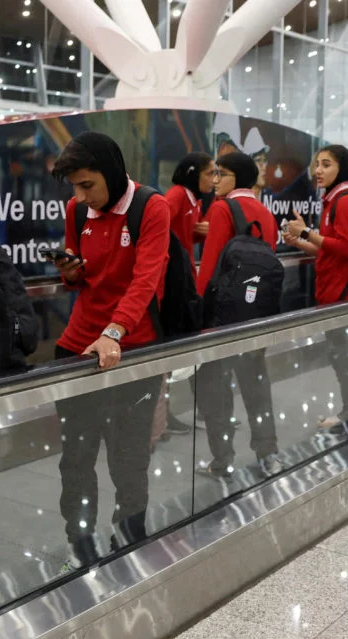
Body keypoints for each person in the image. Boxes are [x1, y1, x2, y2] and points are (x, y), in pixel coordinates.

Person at [48, 132, 169, 570]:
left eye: (88, 185)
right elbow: (80, 280)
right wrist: (70, 271)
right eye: (75, 187)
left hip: (130, 348)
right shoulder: (76, 209)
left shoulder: (151, 207)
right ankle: (79, 545)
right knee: (76, 460)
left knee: (128, 457)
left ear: (112, 172)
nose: (82, 197)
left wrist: (114, 332)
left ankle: (129, 540)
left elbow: (146, 279)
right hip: (78, 346)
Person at [282, 145, 348, 430]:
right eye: (317, 164)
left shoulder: (347, 200)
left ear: (343, 169)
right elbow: (331, 250)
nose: (318, 170)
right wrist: (302, 241)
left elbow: (344, 247)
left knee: (346, 359)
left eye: (326, 165)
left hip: (346, 294)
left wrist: (306, 232)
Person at [194, 151, 281, 478]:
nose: (216, 180)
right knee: (257, 387)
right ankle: (268, 454)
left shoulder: (222, 208)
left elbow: (211, 266)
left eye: (222, 174)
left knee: (215, 389)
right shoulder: (265, 212)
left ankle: (222, 460)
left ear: (238, 178)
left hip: (223, 317)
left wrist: (199, 312)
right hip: (256, 314)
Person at [160, 152, 215, 440]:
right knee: (167, 352)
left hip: (184, 282)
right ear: (194, 173)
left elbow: (181, 235)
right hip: (173, 285)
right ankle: (160, 416)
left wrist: (199, 233)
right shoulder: (177, 196)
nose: (213, 179)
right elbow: (158, 231)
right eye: (209, 173)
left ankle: (164, 414)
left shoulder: (194, 201)